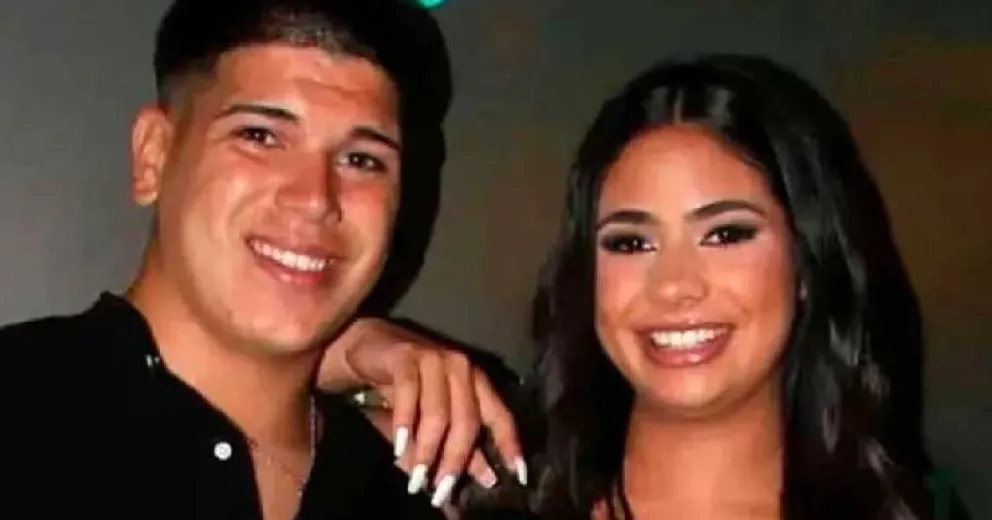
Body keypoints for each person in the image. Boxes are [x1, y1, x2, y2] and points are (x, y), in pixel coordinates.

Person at [0, 1, 524, 518]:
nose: (315, 198)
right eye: (260, 136)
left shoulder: (409, 492)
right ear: (153, 154)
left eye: (362, 160)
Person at [481, 54, 956, 519]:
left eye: (726, 235)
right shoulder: (481, 498)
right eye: (631, 243)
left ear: (807, 260)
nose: (674, 285)